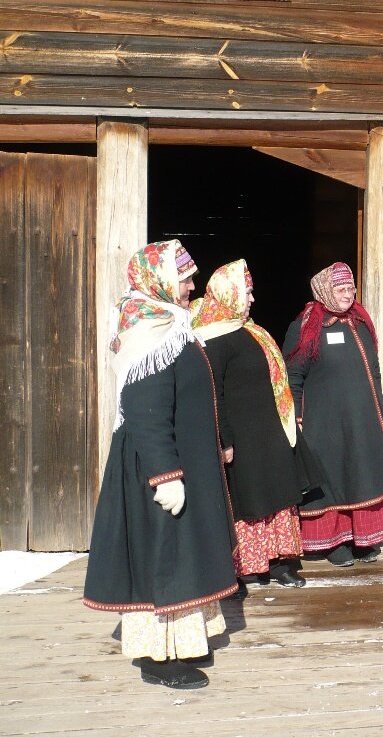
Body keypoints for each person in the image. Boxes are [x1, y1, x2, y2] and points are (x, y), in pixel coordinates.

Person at [83, 240, 238, 690]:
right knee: (164, 559)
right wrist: (165, 476)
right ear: (160, 280)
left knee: (180, 554)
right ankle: (158, 656)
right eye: (185, 278)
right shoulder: (149, 329)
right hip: (158, 468)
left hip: (180, 460)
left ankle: (183, 641)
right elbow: (145, 410)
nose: (192, 286)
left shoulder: (170, 323)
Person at [283, 262, 383, 567]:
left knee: (363, 474)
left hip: (363, 417)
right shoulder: (306, 326)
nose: (348, 294)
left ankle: (363, 539)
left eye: (351, 288)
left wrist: (377, 402)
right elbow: (293, 376)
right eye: (341, 289)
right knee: (334, 478)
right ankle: (334, 543)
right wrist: (298, 417)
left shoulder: (359, 320)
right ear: (325, 291)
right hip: (324, 422)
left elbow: (374, 367)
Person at [192, 259, 310, 593]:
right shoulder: (210, 339)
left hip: (268, 432)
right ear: (228, 294)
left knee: (276, 494)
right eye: (247, 292)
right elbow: (213, 394)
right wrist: (224, 439)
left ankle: (278, 563)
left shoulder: (251, 330)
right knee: (249, 500)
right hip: (242, 438)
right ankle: (244, 567)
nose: (253, 299)